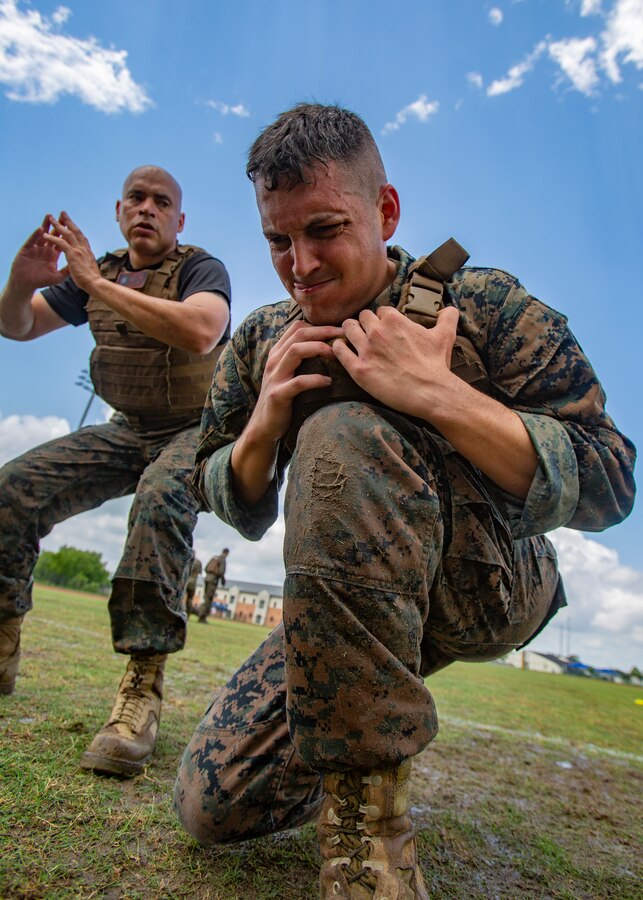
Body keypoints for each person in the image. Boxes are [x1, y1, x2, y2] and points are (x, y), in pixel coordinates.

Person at [173, 105, 636, 898]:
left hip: (491, 579)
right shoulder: (261, 343)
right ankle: (363, 722)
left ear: (384, 212)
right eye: (277, 241)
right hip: (346, 605)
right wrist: (262, 424)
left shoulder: (481, 305)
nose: (299, 264)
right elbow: (219, 488)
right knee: (212, 803)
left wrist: (436, 394)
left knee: (343, 434)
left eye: (324, 229)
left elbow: (610, 480)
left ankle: (370, 846)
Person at [0, 166, 231, 778]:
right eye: (137, 198)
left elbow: (203, 330)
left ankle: (141, 688)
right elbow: (16, 326)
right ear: (119, 210)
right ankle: (1, 642)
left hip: (191, 431)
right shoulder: (95, 274)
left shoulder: (199, 270)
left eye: (162, 202)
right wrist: (19, 284)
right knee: (13, 488)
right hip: (128, 427)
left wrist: (93, 285)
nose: (147, 209)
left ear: (179, 220)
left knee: (159, 500)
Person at [197, 548, 229, 623]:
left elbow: (206, 568)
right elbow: (221, 572)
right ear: (227, 553)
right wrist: (223, 580)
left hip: (207, 579)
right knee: (208, 599)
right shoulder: (222, 559)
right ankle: (202, 616)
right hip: (213, 580)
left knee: (206, 598)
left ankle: (201, 614)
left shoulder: (215, 558)